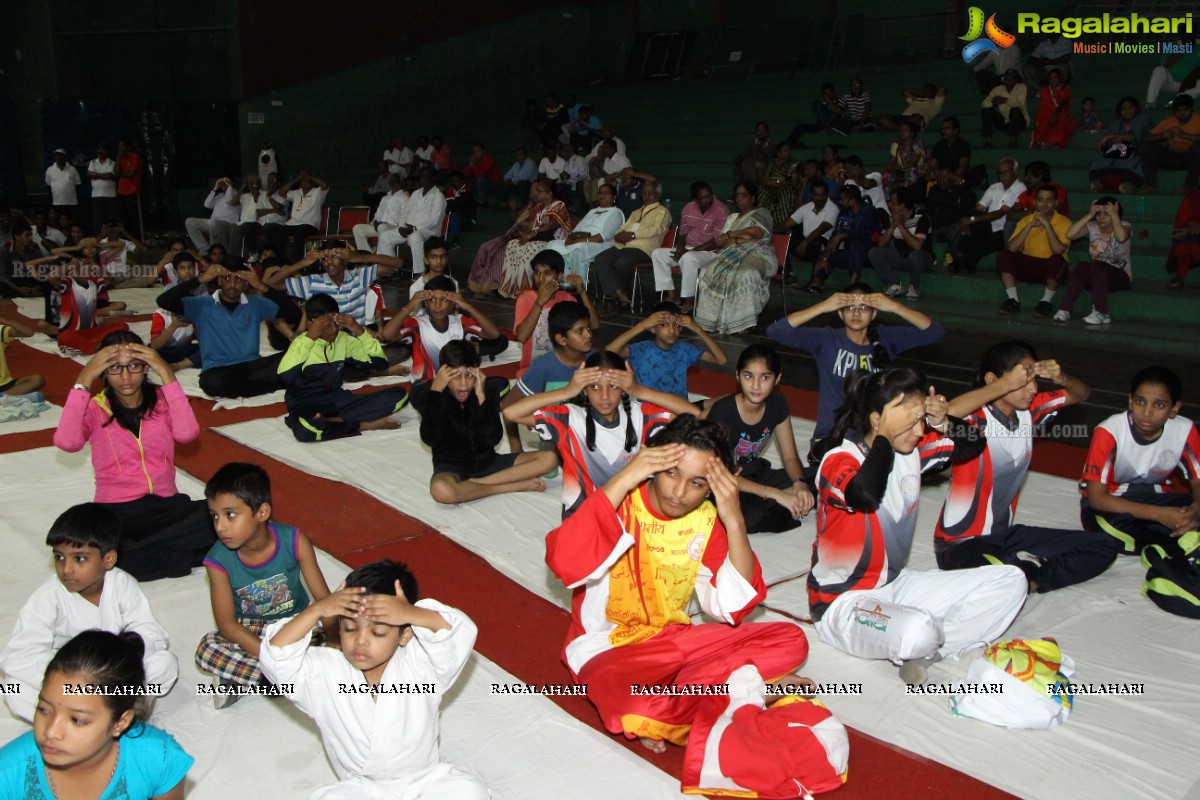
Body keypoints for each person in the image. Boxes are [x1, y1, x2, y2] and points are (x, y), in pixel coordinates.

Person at [545, 414, 811, 752]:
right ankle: (736, 691)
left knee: (789, 640)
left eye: (698, 483)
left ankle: (673, 707)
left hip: (674, 642)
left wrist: (733, 518)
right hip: (609, 649)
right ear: (651, 462)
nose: (680, 492)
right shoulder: (618, 503)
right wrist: (625, 477)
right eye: (672, 473)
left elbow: (733, 607)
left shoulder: (705, 520)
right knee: (630, 702)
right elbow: (564, 562)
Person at [808, 367, 1027, 684]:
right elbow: (866, 493)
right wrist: (886, 433)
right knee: (919, 629)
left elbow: (974, 443)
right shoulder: (839, 460)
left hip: (895, 585)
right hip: (842, 604)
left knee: (1011, 580)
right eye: (911, 422)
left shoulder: (911, 449)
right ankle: (922, 635)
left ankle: (932, 650)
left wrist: (943, 422)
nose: (919, 430)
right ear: (876, 421)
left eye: (921, 420)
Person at [260, 559, 488, 799]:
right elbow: (276, 656)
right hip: (363, 789)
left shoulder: (423, 664)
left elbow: (457, 634)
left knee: (469, 791)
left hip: (425, 782)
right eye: (349, 628)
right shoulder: (322, 672)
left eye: (378, 632)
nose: (361, 641)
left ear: (405, 634)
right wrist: (317, 610)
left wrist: (414, 613)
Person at [935, 341, 1119, 593]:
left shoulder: (1029, 413)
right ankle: (1021, 573)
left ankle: (1030, 579)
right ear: (995, 380)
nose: (1033, 388)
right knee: (1006, 575)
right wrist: (1004, 385)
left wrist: (1061, 376)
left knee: (1104, 545)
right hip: (960, 545)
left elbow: (1081, 393)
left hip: (1004, 537)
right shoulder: (974, 419)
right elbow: (946, 415)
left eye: (1034, 379)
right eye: (1023, 380)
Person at [54, 330, 215, 581]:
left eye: (134, 366)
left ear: (146, 366)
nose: (126, 377)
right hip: (117, 511)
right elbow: (67, 442)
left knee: (218, 517)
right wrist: (84, 377)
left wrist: (167, 373)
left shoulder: (163, 400)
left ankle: (149, 555)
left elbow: (187, 434)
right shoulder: (95, 408)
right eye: (115, 368)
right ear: (103, 372)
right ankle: (186, 555)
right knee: (105, 551)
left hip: (166, 506)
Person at [0, 504, 178, 722]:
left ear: (108, 559)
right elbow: (19, 656)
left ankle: (109, 710)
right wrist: (70, 682)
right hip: (66, 681)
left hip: (112, 675)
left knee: (165, 664)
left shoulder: (122, 584)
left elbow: (148, 632)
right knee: (11, 689)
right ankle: (88, 717)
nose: (66, 569)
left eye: (80, 558)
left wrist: (122, 659)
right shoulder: (49, 595)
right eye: (59, 557)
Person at [197, 462, 333, 705]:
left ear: (262, 512)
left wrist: (336, 646)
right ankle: (285, 676)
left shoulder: (294, 540)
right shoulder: (217, 561)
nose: (220, 526)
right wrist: (272, 657)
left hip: (297, 624)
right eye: (214, 516)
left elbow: (325, 602)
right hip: (252, 631)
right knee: (208, 648)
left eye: (230, 515)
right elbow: (228, 626)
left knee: (344, 626)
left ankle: (258, 677)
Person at [0, 630, 193, 798]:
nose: (51, 731)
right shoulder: (8, 774)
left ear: (121, 722)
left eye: (77, 720)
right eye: (44, 709)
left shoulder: (158, 759)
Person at [505, 351, 697, 518]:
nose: (604, 396)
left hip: (631, 517)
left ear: (624, 389)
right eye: (594, 387)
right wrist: (567, 390)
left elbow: (694, 414)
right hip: (581, 517)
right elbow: (511, 413)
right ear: (585, 390)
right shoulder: (570, 418)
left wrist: (640, 390)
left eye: (613, 386)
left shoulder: (641, 415)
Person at [768, 284, 944, 463]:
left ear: (874, 313)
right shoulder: (827, 338)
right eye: (849, 307)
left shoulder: (885, 338)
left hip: (873, 435)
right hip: (832, 436)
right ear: (839, 312)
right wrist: (823, 306)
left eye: (864, 308)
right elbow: (776, 331)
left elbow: (934, 332)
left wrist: (894, 306)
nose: (856, 313)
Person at [409, 340, 558, 504]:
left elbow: (493, 439)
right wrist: (436, 392)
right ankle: (507, 486)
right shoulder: (432, 395)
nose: (464, 384)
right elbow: (430, 438)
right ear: (443, 376)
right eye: (456, 376)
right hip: (452, 466)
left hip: (489, 462)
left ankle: (475, 485)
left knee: (550, 459)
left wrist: (482, 400)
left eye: (469, 375)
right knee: (440, 490)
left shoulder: (487, 390)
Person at [1081, 366, 1200, 556]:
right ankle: (1178, 542)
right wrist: (1160, 515)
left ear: (1174, 408)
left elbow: (1198, 484)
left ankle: (1170, 540)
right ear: (1130, 401)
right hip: (1112, 502)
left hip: (1156, 496)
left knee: (1188, 514)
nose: (1147, 412)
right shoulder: (1110, 431)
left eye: (1159, 405)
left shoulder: (1184, 431)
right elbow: (1096, 498)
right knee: (1106, 530)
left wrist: (1195, 510)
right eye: (1140, 401)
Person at [700, 345, 814, 533]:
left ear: (777, 379)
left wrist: (799, 484)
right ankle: (779, 501)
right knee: (750, 517)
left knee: (821, 477)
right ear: (738, 376)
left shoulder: (777, 403)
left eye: (765, 377)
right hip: (723, 481)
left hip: (753, 472)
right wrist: (775, 493)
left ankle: (786, 499)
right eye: (748, 376)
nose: (755, 385)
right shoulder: (723, 411)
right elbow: (721, 474)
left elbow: (790, 457)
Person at [157, 259, 302, 398]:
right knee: (212, 383)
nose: (232, 284)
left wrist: (261, 285)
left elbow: (294, 313)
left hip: (253, 366)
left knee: (299, 357)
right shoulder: (202, 305)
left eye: (238, 280)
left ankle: (264, 383)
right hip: (219, 369)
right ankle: (274, 383)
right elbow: (163, 300)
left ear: (246, 283)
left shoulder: (256, 303)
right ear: (219, 280)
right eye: (227, 279)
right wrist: (201, 278)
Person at [279, 295, 409, 442]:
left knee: (400, 395)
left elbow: (380, 364)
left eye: (336, 323)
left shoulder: (343, 340)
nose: (334, 330)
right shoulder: (301, 343)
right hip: (305, 404)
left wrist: (358, 330)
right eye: (327, 325)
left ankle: (331, 421)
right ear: (311, 324)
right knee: (306, 430)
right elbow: (285, 377)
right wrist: (310, 338)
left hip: (337, 400)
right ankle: (364, 425)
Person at [382, 275, 507, 382]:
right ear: (425, 303)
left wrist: (467, 305)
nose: (437, 305)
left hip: (454, 385)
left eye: (444, 300)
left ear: (452, 303)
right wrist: (411, 304)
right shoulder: (417, 324)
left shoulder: (459, 322)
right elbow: (387, 335)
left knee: (498, 383)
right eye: (432, 300)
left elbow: (494, 334)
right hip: (425, 386)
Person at [693, 181, 775, 335]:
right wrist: (741, 238)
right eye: (737, 195)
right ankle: (713, 320)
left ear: (753, 198)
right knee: (708, 270)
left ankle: (744, 323)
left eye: (744, 195)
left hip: (757, 254)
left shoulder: (762, 213)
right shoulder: (733, 218)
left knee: (747, 274)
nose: (739, 198)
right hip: (730, 254)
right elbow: (722, 243)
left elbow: (756, 233)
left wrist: (732, 235)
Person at [606, 302, 727, 398]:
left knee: (724, 402)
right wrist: (642, 325)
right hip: (649, 411)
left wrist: (698, 330)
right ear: (653, 328)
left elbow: (721, 360)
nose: (671, 331)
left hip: (678, 411)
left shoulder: (684, 349)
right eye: (664, 325)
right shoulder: (641, 349)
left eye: (677, 326)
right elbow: (609, 351)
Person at [268, 242, 403, 328]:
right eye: (325, 258)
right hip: (326, 342)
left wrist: (360, 258)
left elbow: (398, 263)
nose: (329, 262)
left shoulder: (359, 276)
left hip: (355, 339)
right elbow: (271, 285)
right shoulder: (313, 282)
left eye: (334, 257)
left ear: (345, 260)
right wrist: (303, 262)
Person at [512, 249, 599, 372]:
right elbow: (522, 336)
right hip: (533, 367)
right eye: (537, 273)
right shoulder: (525, 300)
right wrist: (539, 302)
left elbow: (594, 325)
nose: (541, 278)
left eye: (547, 273)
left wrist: (582, 292)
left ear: (559, 276)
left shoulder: (566, 298)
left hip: (563, 365)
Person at [650, 181, 729, 310]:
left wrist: (688, 252)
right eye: (703, 198)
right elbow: (683, 233)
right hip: (689, 248)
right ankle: (672, 295)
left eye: (709, 195)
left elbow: (717, 240)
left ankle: (689, 300)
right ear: (695, 200)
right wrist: (680, 247)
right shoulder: (688, 208)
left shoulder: (721, 210)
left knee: (689, 258)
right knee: (657, 254)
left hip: (711, 252)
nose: (708, 199)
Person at [591, 181, 671, 307]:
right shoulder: (637, 212)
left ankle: (619, 294)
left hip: (644, 249)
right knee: (601, 258)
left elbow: (655, 229)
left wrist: (633, 235)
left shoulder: (662, 211)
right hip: (625, 246)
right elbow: (624, 227)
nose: (646, 196)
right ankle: (616, 293)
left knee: (624, 261)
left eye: (650, 193)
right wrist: (618, 235)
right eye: (644, 193)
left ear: (659, 195)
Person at [996, 184, 1071, 317]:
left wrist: (1048, 225)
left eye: (1049, 200)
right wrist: (1030, 225)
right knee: (1004, 255)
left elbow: (1058, 250)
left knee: (1058, 260)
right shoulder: (1026, 220)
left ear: (1055, 203)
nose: (1044, 204)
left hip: (1051, 268)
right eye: (1041, 200)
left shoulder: (1064, 222)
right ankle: (1013, 300)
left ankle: (1046, 301)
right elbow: (1013, 248)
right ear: (1035, 202)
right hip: (1030, 264)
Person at [1053, 198, 1132, 325]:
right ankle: (1065, 309)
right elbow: (1070, 235)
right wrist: (1090, 214)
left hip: (1119, 277)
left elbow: (1122, 237)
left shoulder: (1125, 226)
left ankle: (1102, 312)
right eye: (1098, 214)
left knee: (1096, 265)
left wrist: (1114, 215)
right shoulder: (1092, 226)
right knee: (1082, 266)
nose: (1101, 217)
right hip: (1097, 276)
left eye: (1106, 214)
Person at [467, 181, 547, 298]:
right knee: (485, 247)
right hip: (511, 234)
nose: (532, 191)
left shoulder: (542, 208)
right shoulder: (530, 205)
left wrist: (525, 219)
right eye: (532, 188)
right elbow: (516, 221)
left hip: (523, 237)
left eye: (536, 189)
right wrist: (513, 209)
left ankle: (491, 287)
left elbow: (533, 226)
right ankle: (475, 285)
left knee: (499, 252)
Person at [945, 157, 1025, 273]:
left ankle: (963, 262)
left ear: (1015, 172)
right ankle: (969, 262)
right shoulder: (994, 187)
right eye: (1000, 172)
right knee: (963, 234)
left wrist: (973, 219)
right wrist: (967, 221)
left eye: (1006, 172)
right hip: (989, 225)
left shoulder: (1020, 189)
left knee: (989, 241)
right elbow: (979, 208)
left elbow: (1000, 213)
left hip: (1007, 230)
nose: (1002, 175)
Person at [499, 179, 573, 297]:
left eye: (540, 191)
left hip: (555, 240)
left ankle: (526, 290)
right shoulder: (539, 206)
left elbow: (549, 227)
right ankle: (510, 288)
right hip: (539, 237)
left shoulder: (559, 205)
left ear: (549, 194)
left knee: (530, 248)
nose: (536, 193)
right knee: (513, 244)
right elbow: (532, 225)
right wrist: (525, 234)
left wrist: (529, 235)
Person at [545, 182, 625, 284]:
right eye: (600, 193)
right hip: (581, 240)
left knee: (578, 250)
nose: (602, 195)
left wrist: (579, 240)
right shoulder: (592, 211)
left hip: (602, 244)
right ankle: (564, 281)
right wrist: (570, 239)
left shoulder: (615, 213)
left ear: (614, 197)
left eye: (606, 193)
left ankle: (578, 285)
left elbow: (604, 237)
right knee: (552, 245)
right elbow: (576, 230)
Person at [806, 184, 875, 292]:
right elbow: (835, 236)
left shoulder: (868, 211)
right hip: (851, 255)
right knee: (827, 252)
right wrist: (826, 258)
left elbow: (864, 233)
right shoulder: (844, 214)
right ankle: (816, 284)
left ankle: (852, 286)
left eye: (842, 199)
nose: (840, 202)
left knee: (856, 243)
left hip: (868, 254)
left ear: (852, 201)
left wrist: (842, 235)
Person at [868, 187, 932, 299]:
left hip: (923, 258)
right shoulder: (892, 218)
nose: (889, 205)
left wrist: (901, 226)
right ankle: (895, 285)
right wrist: (893, 226)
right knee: (874, 252)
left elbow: (917, 246)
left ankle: (914, 288)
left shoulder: (921, 217)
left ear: (901, 206)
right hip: (902, 257)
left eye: (892, 202)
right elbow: (880, 244)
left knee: (914, 256)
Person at [148, 253, 202, 370]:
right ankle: (187, 362)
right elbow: (155, 345)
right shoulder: (161, 314)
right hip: (164, 351)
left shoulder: (192, 311)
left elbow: (200, 336)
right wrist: (173, 326)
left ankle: (179, 365)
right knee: (152, 355)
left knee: (211, 348)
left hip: (183, 350)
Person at [1088, 96, 1152, 194]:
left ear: (1136, 108)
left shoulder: (1143, 118)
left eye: (1130, 107)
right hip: (1118, 154)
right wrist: (1111, 139)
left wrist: (1114, 137)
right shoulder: (1117, 122)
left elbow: (1133, 136)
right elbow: (1105, 143)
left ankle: (1117, 185)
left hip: (1136, 154)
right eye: (1124, 109)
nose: (1127, 111)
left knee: (1135, 165)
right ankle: (1113, 185)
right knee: (1100, 164)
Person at [780, 181, 839, 286]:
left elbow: (823, 228)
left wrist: (805, 242)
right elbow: (787, 224)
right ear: (812, 195)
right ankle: (789, 274)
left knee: (817, 241)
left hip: (823, 247)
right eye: (816, 194)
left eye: (822, 194)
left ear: (827, 194)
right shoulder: (807, 207)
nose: (820, 198)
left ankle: (814, 282)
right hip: (806, 245)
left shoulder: (833, 209)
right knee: (784, 236)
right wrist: (767, 231)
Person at [265, 171, 330, 263]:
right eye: (302, 180)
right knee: (272, 229)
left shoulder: (318, 192)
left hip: (309, 225)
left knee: (299, 234)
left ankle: (296, 265)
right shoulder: (296, 193)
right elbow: (282, 192)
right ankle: (278, 261)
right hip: (292, 224)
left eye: (306, 180)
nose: (303, 182)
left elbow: (325, 185)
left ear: (312, 182)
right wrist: (297, 179)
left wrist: (310, 177)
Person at [1142, 94, 1200, 192]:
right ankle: (1151, 185)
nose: (1182, 113)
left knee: (1198, 147)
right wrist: (1162, 135)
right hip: (1171, 157)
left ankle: (1189, 187)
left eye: (1185, 110)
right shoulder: (1169, 121)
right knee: (1147, 146)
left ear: (1191, 109)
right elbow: (1146, 138)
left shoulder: (1198, 119)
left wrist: (1182, 135)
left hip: (1192, 159)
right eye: (1178, 111)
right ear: (1174, 112)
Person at [232, 173, 285, 257]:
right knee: (245, 226)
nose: (271, 183)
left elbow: (281, 209)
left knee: (268, 227)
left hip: (276, 225)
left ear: (279, 183)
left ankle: (273, 256)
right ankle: (252, 253)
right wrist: (274, 210)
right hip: (261, 224)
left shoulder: (279, 195)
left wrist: (268, 197)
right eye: (269, 181)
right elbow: (259, 212)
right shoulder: (261, 195)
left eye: (273, 181)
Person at [184, 177, 239, 253]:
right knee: (189, 222)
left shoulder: (238, 195)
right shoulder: (220, 196)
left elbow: (229, 201)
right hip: (213, 222)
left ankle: (214, 251)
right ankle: (204, 249)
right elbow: (207, 204)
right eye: (223, 183)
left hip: (228, 224)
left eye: (226, 183)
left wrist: (229, 187)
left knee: (214, 224)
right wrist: (215, 188)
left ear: (232, 183)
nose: (224, 185)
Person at [1030, 68, 1079, 149]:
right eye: (1051, 78)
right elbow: (1043, 106)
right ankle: (1044, 142)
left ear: (1060, 78)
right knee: (1044, 118)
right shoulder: (1044, 90)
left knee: (1071, 123)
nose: (1053, 80)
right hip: (1047, 115)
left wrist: (1055, 115)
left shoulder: (1065, 89)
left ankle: (1053, 143)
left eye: (1055, 77)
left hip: (1060, 114)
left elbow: (1063, 103)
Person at [0, 314, 45, 399]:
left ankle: (5, 397)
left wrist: (5, 320)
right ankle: (8, 397)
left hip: (7, 383)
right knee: (38, 396)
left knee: (37, 379)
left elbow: (28, 333)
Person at [980, 69, 1029, 149]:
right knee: (987, 111)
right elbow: (984, 103)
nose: (1009, 81)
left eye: (1012, 79)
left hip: (1020, 121)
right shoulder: (998, 89)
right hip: (1004, 121)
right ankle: (988, 141)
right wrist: (993, 103)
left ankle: (1013, 140)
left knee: (1015, 110)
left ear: (1016, 80)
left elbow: (1020, 104)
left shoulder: (1021, 87)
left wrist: (1004, 100)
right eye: (1007, 78)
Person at [758, 142, 800, 228]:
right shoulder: (771, 162)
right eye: (785, 150)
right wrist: (777, 182)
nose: (787, 153)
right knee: (764, 195)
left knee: (785, 195)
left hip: (785, 188)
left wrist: (794, 177)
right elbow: (765, 180)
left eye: (789, 151)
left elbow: (794, 183)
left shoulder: (793, 164)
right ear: (778, 152)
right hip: (770, 187)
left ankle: (781, 226)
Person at [876, 83, 947, 132]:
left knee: (916, 117)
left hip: (918, 120)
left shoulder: (936, 102)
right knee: (881, 118)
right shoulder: (916, 100)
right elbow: (906, 91)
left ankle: (899, 129)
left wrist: (931, 95)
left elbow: (942, 89)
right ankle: (901, 129)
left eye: (930, 90)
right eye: (925, 89)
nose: (927, 91)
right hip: (904, 118)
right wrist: (923, 94)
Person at [883, 121, 928, 197]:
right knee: (885, 176)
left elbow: (913, 163)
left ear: (912, 133)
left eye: (905, 130)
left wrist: (899, 167)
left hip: (917, 170)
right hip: (901, 170)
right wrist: (890, 167)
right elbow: (891, 162)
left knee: (911, 173)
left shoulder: (918, 144)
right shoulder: (896, 145)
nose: (902, 132)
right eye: (901, 130)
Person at [1166, 189, 1200, 288]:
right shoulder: (1193, 198)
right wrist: (1189, 228)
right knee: (1184, 236)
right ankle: (1180, 275)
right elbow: (1180, 226)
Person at [928, 116, 973, 182]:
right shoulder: (938, 145)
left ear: (956, 130)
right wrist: (933, 173)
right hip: (941, 176)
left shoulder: (963, 145)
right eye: (942, 128)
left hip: (956, 177)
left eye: (947, 128)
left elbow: (963, 167)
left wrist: (949, 176)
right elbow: (932, 165)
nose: (943, 131)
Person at [87, 144, 119, 234]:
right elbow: (89, 175)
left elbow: (110, 175)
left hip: (110, 195)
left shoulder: (112, 163)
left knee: (111, 218)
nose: (100, 152)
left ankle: (112, 237)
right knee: (98, 220)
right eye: (99, 150)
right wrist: (104, 175)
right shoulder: (93, 162)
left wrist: (96, 174)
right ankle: (100, 239)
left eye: (102, 150)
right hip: (96, 195)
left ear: (107, 151)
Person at [115, 139, 144, 239]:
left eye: (122, 146)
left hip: (132, 190)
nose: (120, 149)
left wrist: (122, 175)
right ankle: (125, 238)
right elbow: (116, 172)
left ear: (127, 146)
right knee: (123, 217)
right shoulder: (121, 158)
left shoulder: (134, 156)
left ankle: (137, 238)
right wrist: (118, 158)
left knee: (134, 217)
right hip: (121, 191)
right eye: (119, 147)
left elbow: (131, 174)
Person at [45, 149, 81, 219]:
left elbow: (77, 184)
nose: (58, 157)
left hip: (72, 202)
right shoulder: (50, 170)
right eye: (56, 156)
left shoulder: (72, 169)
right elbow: (48, 184)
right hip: (57, 202)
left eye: (60, 156)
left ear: (64, 157)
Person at [463, 142, 502, 206]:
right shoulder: (475, 161)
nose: (476, 154)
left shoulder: (488, 159)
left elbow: (482, 174)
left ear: (483, 151)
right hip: (481, 186)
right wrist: (471, 165)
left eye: (478, 151)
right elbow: (466, 174)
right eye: (474, 152)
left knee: (481, 179)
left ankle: (483, 201)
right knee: (465, 181)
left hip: (494, 186)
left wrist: (473, 166)